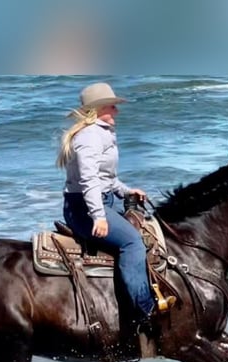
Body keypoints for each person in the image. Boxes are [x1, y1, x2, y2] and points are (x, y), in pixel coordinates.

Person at [57, 82, 160, 339]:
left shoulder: (102, 132)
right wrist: (98, 217)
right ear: (99, 108)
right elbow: (88, 180)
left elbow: (107, 179)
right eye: (113, 106)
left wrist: (126, 191)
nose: (117, 111)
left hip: (103, 199)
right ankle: (145, 312)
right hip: (84, 207)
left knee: (149, 230)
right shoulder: (90, 136)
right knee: (132, 243)